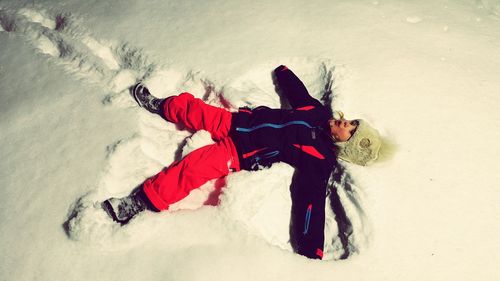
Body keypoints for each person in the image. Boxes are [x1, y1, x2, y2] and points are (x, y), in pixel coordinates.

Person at [102, 65, 381, 259]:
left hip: (240, 151)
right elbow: (300, 95)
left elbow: (311, 199)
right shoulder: (317, 113)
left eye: (351, 129)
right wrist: (286, 74)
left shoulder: (320, 158)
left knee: (194, 168)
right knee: (195, 109)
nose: (347, 121)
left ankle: (139, 202)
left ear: (346, 145)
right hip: (238, 121)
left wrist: (312, 249)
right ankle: (162, 105)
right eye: (352, 121)